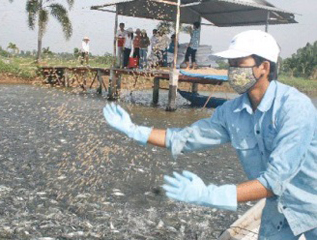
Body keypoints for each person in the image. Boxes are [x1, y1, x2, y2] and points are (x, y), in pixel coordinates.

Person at [103, 30, 317, 239]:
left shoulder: (295, 108)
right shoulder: (231, 112)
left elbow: (274, 181)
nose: (232, 71)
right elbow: (186, 138)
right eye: (230, 65)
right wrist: (136, 130)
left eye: (239, 64)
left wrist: (209, 194)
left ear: (264, 67)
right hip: (278, 211)